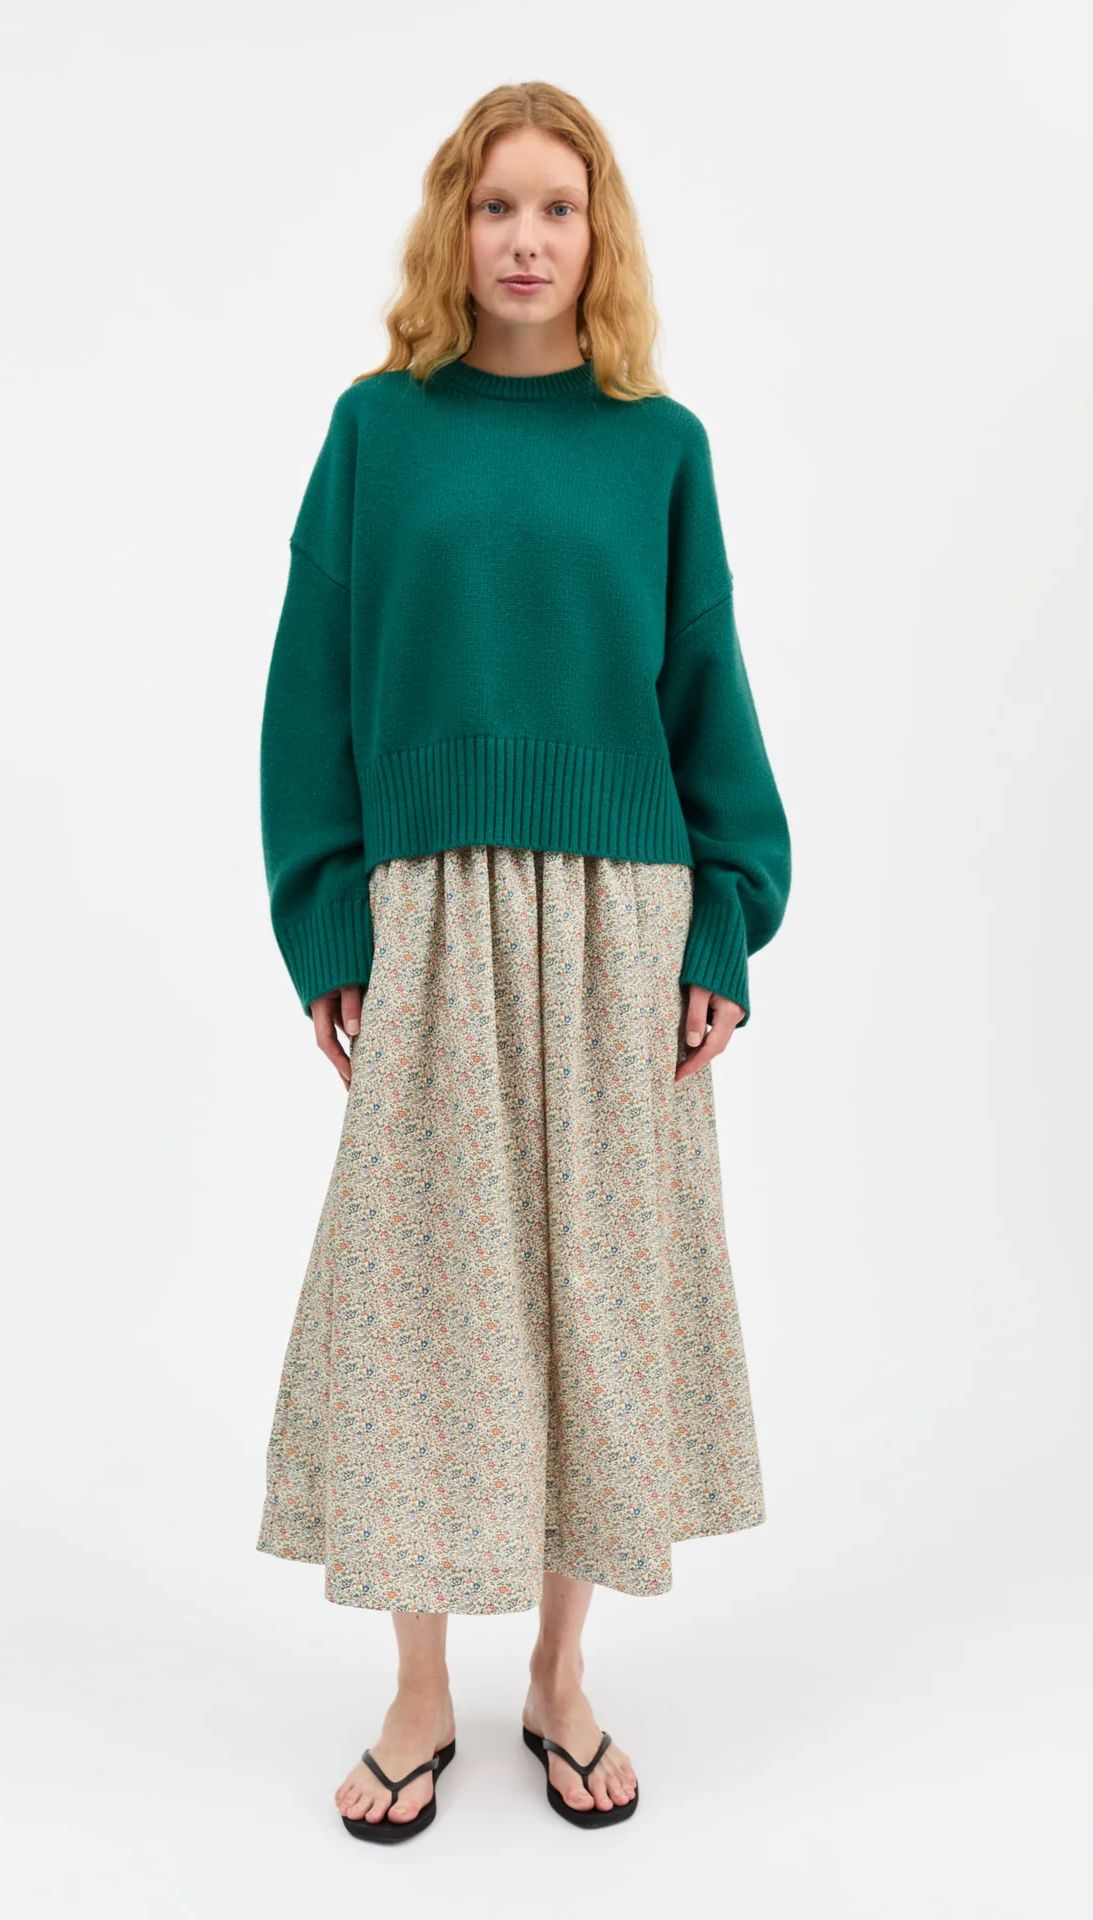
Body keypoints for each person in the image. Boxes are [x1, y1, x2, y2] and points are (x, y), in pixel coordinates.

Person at [255, 80, 792, 1841]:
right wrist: (328, 913)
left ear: (598, 233)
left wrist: (724, 921)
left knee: (594, 1295)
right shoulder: (376, 432)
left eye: (560, 208)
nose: (528, 239)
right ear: (453, 226)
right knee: (421, 1289)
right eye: (498, 207)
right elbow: (310, 691)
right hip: (430, 916)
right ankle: (420, 1689)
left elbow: (705, 690)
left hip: (624, 921)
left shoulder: (659, 446)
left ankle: (560, 1674)